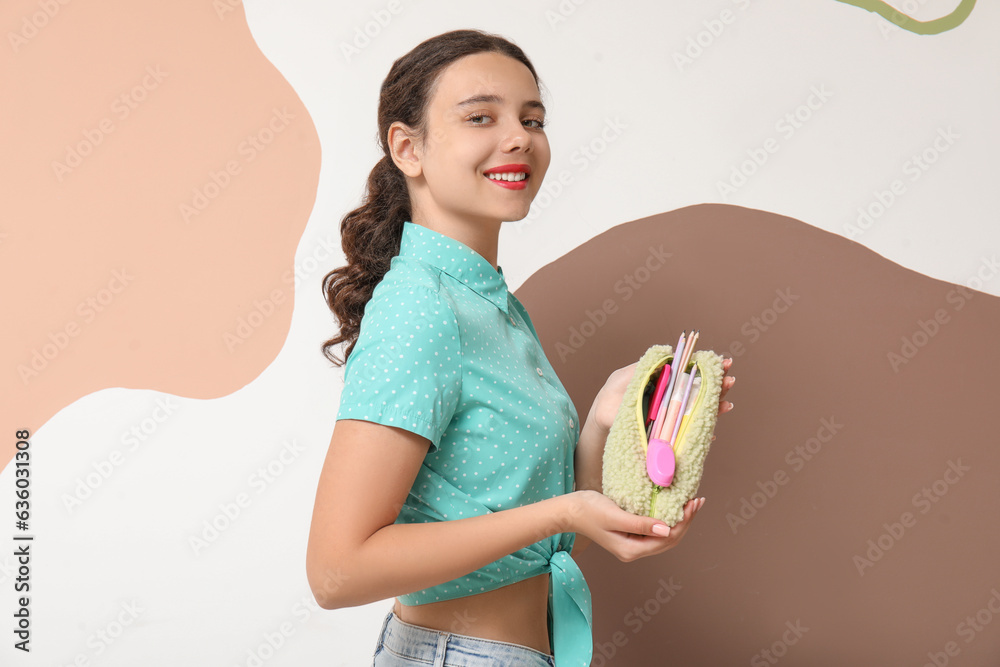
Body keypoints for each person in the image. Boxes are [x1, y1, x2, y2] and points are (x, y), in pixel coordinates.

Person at [306, 28, 735, 667]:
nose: (519, 137)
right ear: (408, 148)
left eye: (532, 118)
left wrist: (605, 421)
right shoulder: (423, 307)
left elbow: (547, 541)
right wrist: (561, 511)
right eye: (482, 116)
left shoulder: (485, 301)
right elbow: (336, 572)